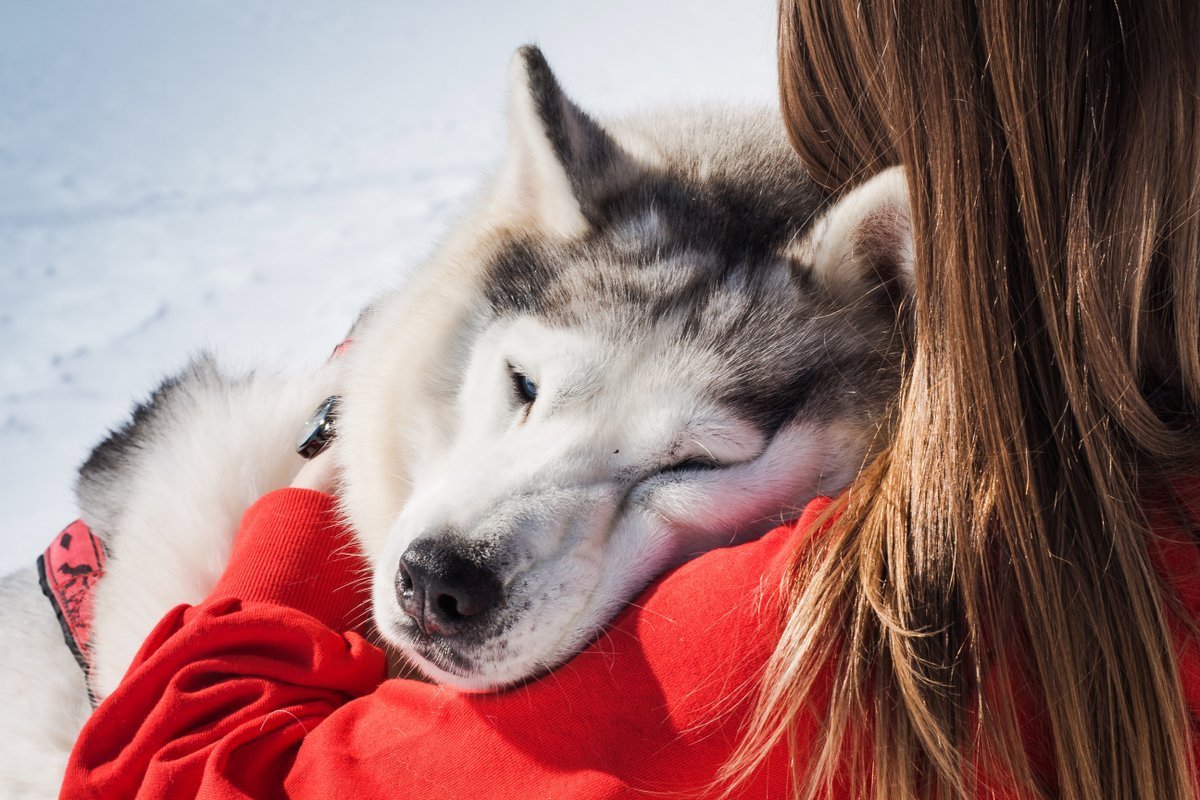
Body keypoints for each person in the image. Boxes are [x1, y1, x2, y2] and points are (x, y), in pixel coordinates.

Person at [60, 1, 1200, 798]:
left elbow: (161, 780)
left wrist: (308, 499)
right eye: (520, 386)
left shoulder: (846, 626)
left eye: (694, 459)